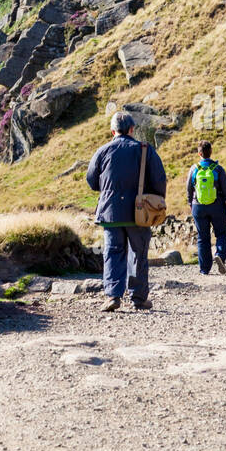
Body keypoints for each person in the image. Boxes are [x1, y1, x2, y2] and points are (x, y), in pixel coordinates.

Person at [86, 110, 167, 312]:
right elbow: (159, 181)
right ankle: (138, 298)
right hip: (138, 213)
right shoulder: (145, 150)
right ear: (132, 129)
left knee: (112, 253)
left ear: (113, 131)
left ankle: (113, 296)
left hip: (110, 212)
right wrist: (151, 198)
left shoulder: (102, 151)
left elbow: (91, 181)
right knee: (138, 254)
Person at [186, 140, 226, 276]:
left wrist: (191, 204)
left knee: (202, 237)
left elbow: (189, 189)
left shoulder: (194, 168)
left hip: (198, 206)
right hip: (217, 205)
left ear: (199, 153)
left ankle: (204, 269)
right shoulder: (218, 169)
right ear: (211, 152)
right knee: (221, 234)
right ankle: (219, 254)